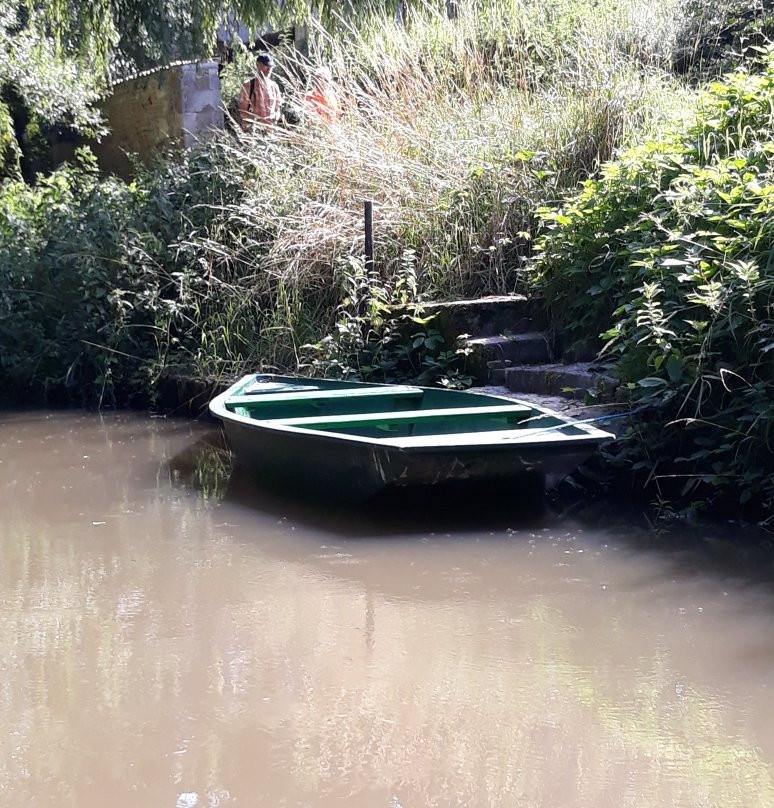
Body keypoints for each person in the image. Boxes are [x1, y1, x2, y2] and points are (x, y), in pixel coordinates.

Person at [238, 53, 282, 131]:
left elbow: (277, 108)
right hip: (253, 131)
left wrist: (275, 119)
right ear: (258, 66)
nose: (269, 70)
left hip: (270, 130)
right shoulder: (248, 85)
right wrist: (251, 125)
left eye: (270, 67)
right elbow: (242, 111)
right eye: (266, 66)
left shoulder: (274, 86)